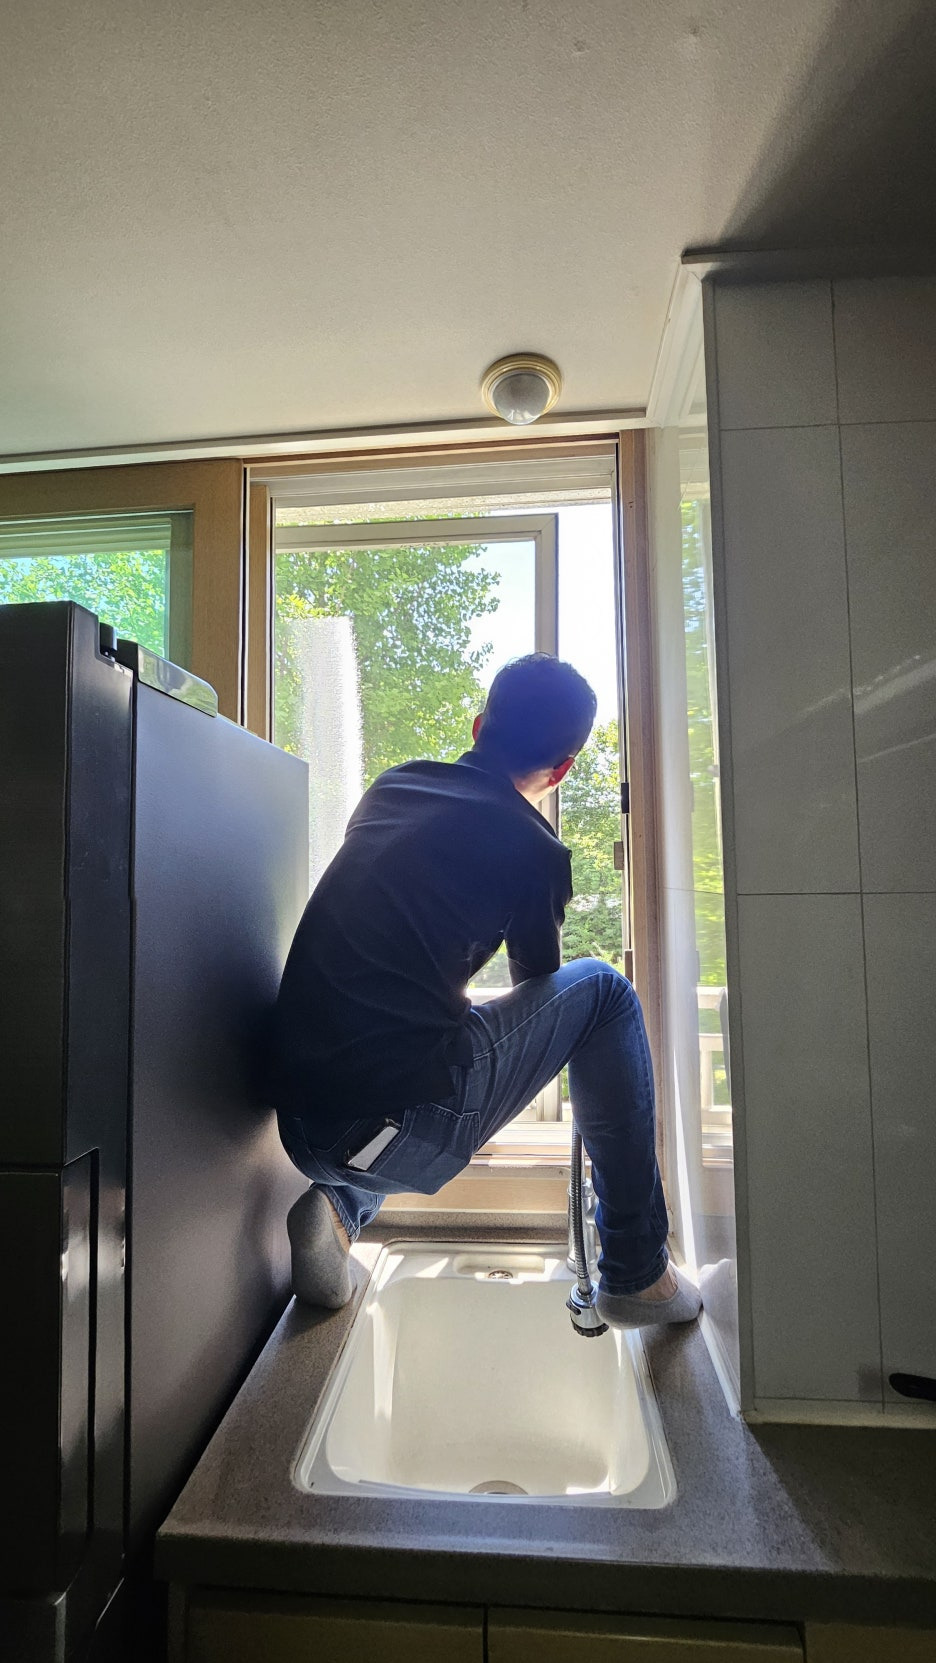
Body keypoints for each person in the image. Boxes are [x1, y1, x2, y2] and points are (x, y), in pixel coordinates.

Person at [268, 653, 700, 1330]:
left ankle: (337, 1211)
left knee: (413, 1052)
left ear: (478, 726)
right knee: (605, 992)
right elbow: (544, 997)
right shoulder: (535, 847)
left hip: (300, 1128)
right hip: (396, 1128)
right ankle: (638, 1271)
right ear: (562, 769)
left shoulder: (394, 785)